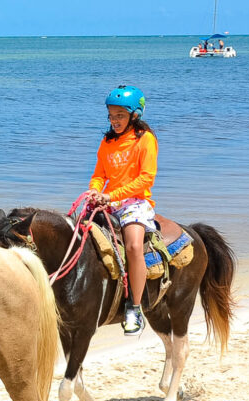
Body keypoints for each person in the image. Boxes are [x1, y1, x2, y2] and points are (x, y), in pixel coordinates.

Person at [84, 85, 157, 336]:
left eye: (120, 116)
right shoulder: (107, 141)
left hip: (135, 202)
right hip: (108, 201)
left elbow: (146, 179)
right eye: (111, 115)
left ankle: (134, 307)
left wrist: (112, 195)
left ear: (134, 115)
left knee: (134, 247)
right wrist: (94, 190)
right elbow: (98, 174)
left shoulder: (145, 140)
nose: (114, 121)